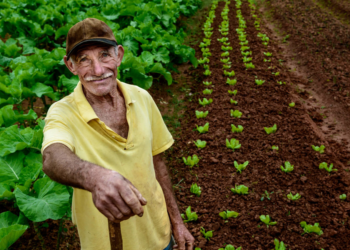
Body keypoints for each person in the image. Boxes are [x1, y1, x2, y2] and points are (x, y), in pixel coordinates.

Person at [41, 18, 195, 250]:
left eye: (105, 55)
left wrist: (177, 222)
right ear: (70, 66)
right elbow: (52, 157)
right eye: (84, 59)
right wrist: (94, 177)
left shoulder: (142, 97)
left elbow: (158, 162)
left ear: (119, 55)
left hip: (159, 236)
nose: (98, 70)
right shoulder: (62, 112)